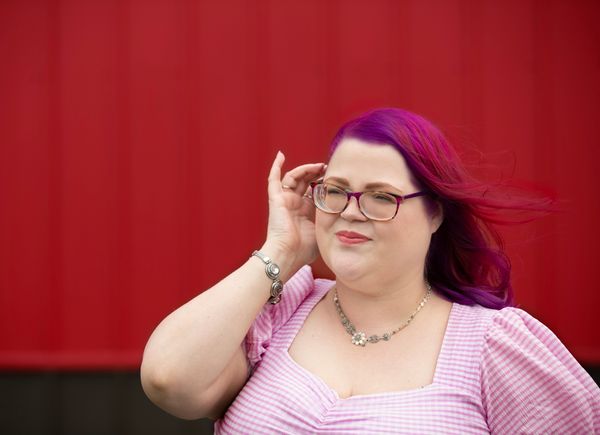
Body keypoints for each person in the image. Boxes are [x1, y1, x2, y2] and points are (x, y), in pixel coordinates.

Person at [140, 108, 600, 434]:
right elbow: (168, 380)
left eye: (382, 196)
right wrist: (281, 250)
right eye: (336, 190)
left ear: (435, 214)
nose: (350, 211)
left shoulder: (494, 347)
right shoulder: (282, 308)